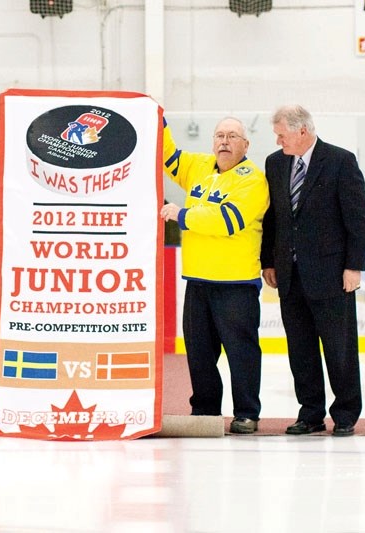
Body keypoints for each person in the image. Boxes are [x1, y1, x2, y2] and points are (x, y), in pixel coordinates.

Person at [261, 104, 365, 437]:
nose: (279, 141)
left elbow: (358, 219)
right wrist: (268, 260)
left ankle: (346, 413)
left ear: (302, 131)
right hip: (289, 275)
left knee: (339, 348)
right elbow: (273, 217)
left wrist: (354, 266)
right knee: (301, 348)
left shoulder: (340, 161)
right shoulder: (275, 163)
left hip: (331, 273)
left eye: (282, 135)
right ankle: (310, 413)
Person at [160, 116, 270, 434]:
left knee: (241, 352)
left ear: (245, 145)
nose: (224, 141)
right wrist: (159, 120)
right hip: (198, 280)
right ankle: (205, 410)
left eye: (232, 136)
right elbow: (168, 156)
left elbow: (229, 220)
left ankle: (247, 412)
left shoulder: (252, 180)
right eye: (219, 135)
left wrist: (182, 214)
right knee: (199, 353)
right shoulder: (200, 166)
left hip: (235, 283)